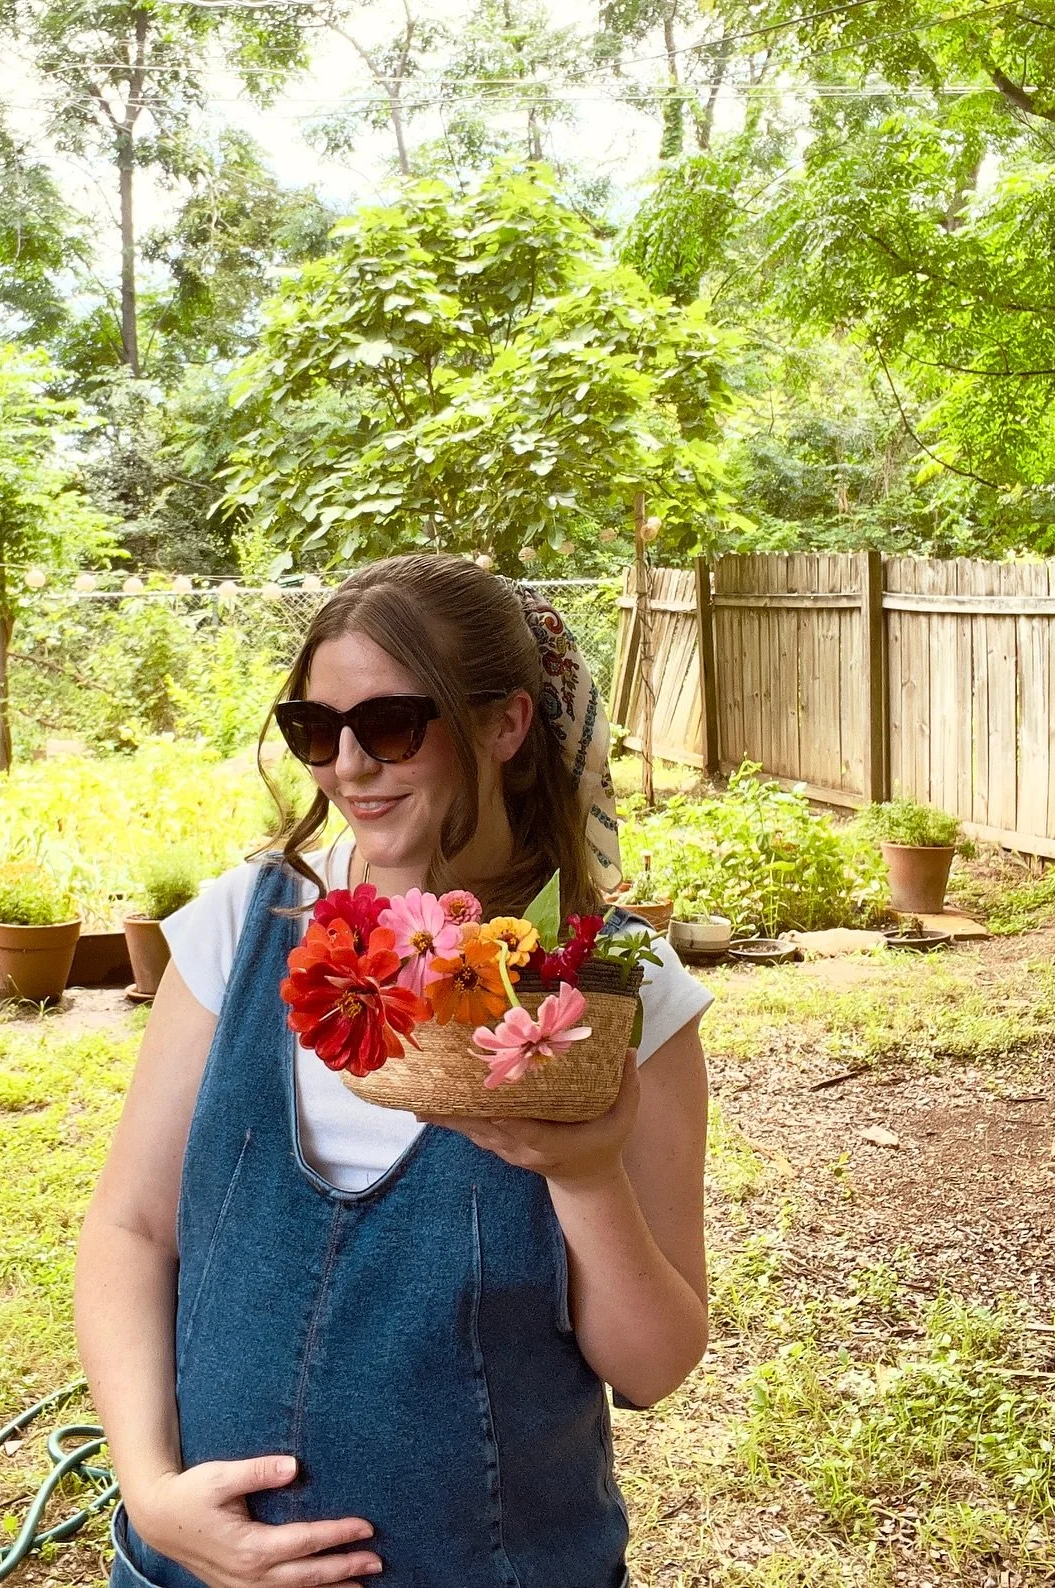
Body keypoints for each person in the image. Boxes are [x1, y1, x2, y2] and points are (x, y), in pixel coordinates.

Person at [76, 554, 712, 1588]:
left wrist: (585, 1173)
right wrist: (150, 1491)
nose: (349, 768)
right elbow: (131, 1229)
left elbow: (655, 1362)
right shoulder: (246, 928)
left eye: (391, 725)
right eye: (316, 732)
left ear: (504, 726)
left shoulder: (610, 984)